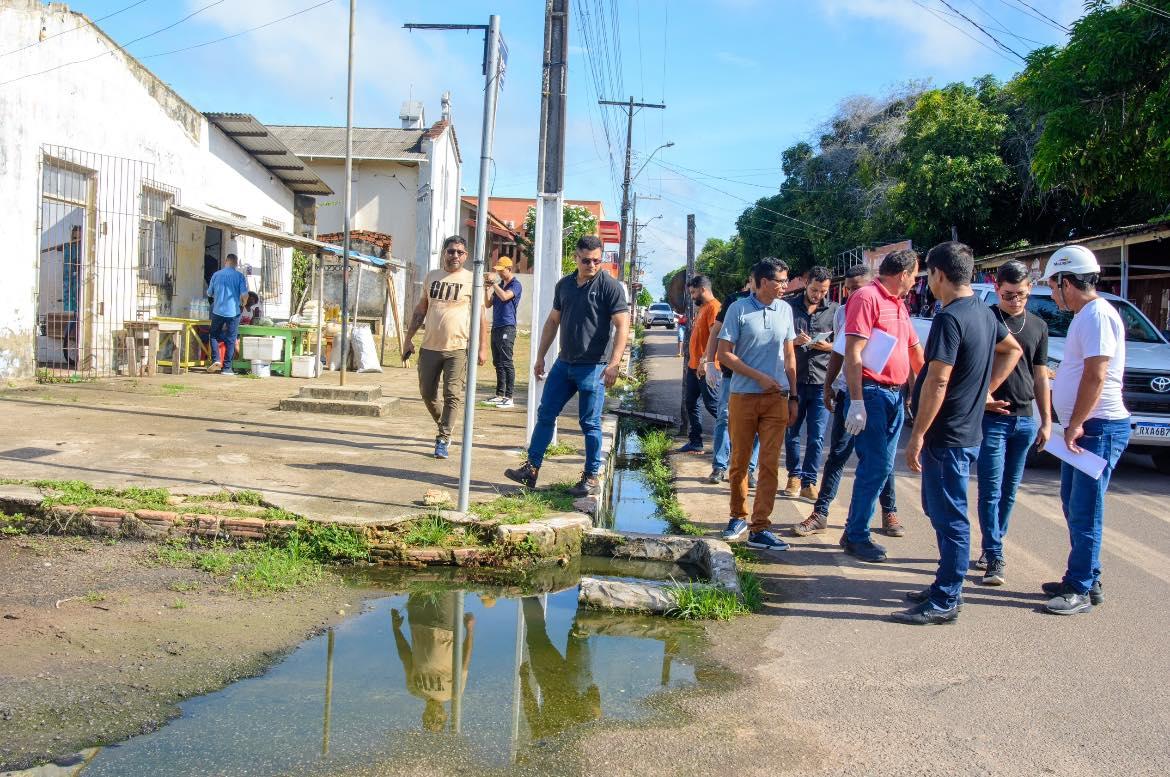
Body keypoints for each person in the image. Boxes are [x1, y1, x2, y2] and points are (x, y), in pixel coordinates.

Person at [894, 242, 1022, 625]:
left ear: (938, 275)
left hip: (948, 434)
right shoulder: (984, 312)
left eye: (927, 275)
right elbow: (1011, 349)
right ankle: (944, 584)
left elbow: (937, 380)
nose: (926, 282)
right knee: (939, 510)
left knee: (950, 516)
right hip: (964, 431)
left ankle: (948, 596)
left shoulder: (951, 318)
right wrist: (982, 391)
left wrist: (916, 435)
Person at [1038, 245, 1130, 615]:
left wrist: (1075, 423)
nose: (1053, 293)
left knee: (1085, 509)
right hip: (1087, 427)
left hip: (1097, 427)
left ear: (1066, 281)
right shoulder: (1087, 315)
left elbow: (1097, 373)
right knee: (1074, 506)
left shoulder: (1097, 315)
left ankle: (1079, 588)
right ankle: (1086, 577)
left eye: (1053, 285)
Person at [504, 235, 630, 497]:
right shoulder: (564, 286)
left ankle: (590, 476)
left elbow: (622, 326)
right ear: (576, 257)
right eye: (586, 260)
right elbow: (552, 322)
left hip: (594, 366)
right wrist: (540, 356)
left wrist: (614, 364)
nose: (592, 265)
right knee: (546, 413)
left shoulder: (610, 287)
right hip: (564, 363)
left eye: (597, 260)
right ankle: (531, 468)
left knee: (590, 423)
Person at [791, 265, 901, 538]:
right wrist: (830, 385)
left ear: (872, 285)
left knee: (881, 458)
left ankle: (890, 511)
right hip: (847, 393)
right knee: (838, 454)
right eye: (849, 289)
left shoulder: (887, 307)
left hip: (877, 394)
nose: (852, 293)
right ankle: (821, 512)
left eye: (857, 288)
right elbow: (841, 352)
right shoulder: (843, 312)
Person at [839, 249, 925, 562]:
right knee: (875, 466)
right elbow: (853, 352)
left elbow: (915, 352)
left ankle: (854, 531)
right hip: (872, 393)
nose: (916, 282)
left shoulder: (898, 304)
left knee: (884, 466)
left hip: (894, 395)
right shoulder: (866, 297)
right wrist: (857, 401)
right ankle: (857, 535)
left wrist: (926, 388)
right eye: (915, 275)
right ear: (902, 273)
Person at [974, 260, 1052, 586]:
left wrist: (1046, 421)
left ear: (1029, 289)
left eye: (1020, 294)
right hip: (993, 420)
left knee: (1009, 491)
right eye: (1008, 295)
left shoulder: (1038, 326)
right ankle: (994, 555)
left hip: (1024, 421)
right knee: (990, 490)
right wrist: (982, 397)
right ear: (996, 289)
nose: (1015, 300)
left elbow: (1040, 376)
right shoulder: (987, 319)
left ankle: (994, 543)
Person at [716, 258, 799, 551]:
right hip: (743, 397)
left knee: (769, 464)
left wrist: (794, 395)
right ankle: (737, 516)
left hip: (777, 398)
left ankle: (760, 526)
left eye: (785, 281)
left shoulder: (785, 310)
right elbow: (724, 354)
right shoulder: (738, 309)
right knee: (739, 463)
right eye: (780, 281)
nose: (784, 287)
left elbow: (789, 356)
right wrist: (759, 377)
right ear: (763, 282)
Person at [402, 235, 489, 460]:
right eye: (451, 251)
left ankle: (443, 437)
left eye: (460, 252)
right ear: (444, 253)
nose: (455, 256)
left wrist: (482, 347)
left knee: (452, 394)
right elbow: (420, 310)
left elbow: (481, 317)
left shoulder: (472, 279)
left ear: (466, 256)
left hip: (458, 348)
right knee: (427, 393)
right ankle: (445, 424)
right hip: (430, 346)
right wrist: (408, 338)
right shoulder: (432, 276)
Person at [782, 265, 838, 500]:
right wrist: (793, 342)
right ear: (806, 284)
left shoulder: (835, 311)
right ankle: (793, 475)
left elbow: (845, 345)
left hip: (822, 382)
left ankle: (809, 481)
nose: (818, 295)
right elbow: (779, 340)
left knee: (817, 436)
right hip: (794, 379)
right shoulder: (788, 308)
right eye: (815, 289)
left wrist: (828, 346)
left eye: (823, 291)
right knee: (792, 429)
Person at [701, 279, 761, 485]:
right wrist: (710, 361)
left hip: (760, 375)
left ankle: (749, 469)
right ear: (752, 280)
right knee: (724, 418)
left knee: (756, 423)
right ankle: (719, 466)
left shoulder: (778, 306)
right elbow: (716, 332)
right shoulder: (734, 301)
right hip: (731, 372)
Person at [390, 592, 474, 733]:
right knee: (446, 583)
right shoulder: (454, 693)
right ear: (445, 716)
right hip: (444, 626)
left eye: (429, 720)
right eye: (439, 720)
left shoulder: (414, 690)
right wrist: (470, 630)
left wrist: (396, 629)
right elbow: (464, 662)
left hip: (417, 623)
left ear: (423, 716)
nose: (434, 716)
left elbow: (405, 656)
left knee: (418, 581)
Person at [677, 275, 721, 454]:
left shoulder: (714, 308)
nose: (692, 296)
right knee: (691, 402)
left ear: (703, 289)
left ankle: (735, 438)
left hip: (707, 366)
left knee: (713, 404)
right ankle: (695, 441)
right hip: (694, 366)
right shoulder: (702, 308)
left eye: (694, 292)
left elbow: (714, 336)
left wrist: (705, 360)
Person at [484, 257, 523, 409]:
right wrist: (487, 287)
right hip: (497, 326)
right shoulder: (499, 285)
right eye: (497, 270)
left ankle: (509, 396)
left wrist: (494, 284)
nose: (499, 273)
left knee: (507, 361)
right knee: (498, 362)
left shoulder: (516, 285)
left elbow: (506, 296)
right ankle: (499, 394)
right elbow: (488, 304)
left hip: (508, 326)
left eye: (501, 270)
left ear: (509, 269)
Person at [41, 225, 82, 369]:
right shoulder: (68, 246)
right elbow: (57, 247)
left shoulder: (84, 247)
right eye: (75, 235)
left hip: (79, 284)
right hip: (69, 283)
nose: (77, 237)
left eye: (79, 234)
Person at [206, 253, 249, 376]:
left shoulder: (216, 275)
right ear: (235, 263)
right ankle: (227, 368)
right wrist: (243, 303)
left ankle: (216, 360)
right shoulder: (239, 276)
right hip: (233, 312)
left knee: (213, 335)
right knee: (231, 339)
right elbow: (245, 295)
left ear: (226, 261)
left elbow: (209, 293)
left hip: (217, 310)